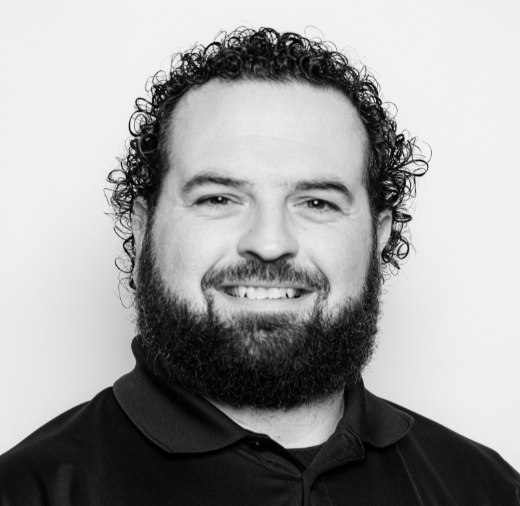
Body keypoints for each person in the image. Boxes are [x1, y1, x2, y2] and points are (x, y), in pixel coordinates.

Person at [0, 26, 518, 505]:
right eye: (218, 198)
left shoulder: (486, 487)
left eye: (317, 202)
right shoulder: (28, 491)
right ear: (142, 227)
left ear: (378, 236)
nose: (269, 244)